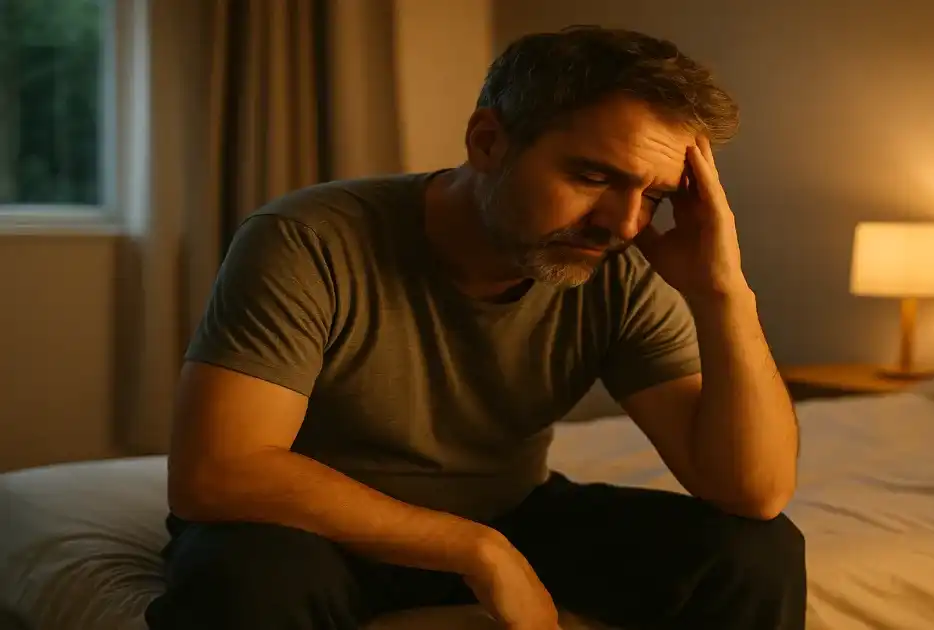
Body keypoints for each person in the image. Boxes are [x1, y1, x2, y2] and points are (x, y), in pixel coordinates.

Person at [145, 25, 805, 630]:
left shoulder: (617, 270)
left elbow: (753, 491)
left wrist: (724, 293)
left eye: (654, 197)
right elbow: (217, 472)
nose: (624, 224)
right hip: (314, 529)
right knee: (248, 580)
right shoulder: (310, 238)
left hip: (512, 509)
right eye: (594, 176)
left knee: (755, 550)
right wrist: (478, 550)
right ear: (488, 141)